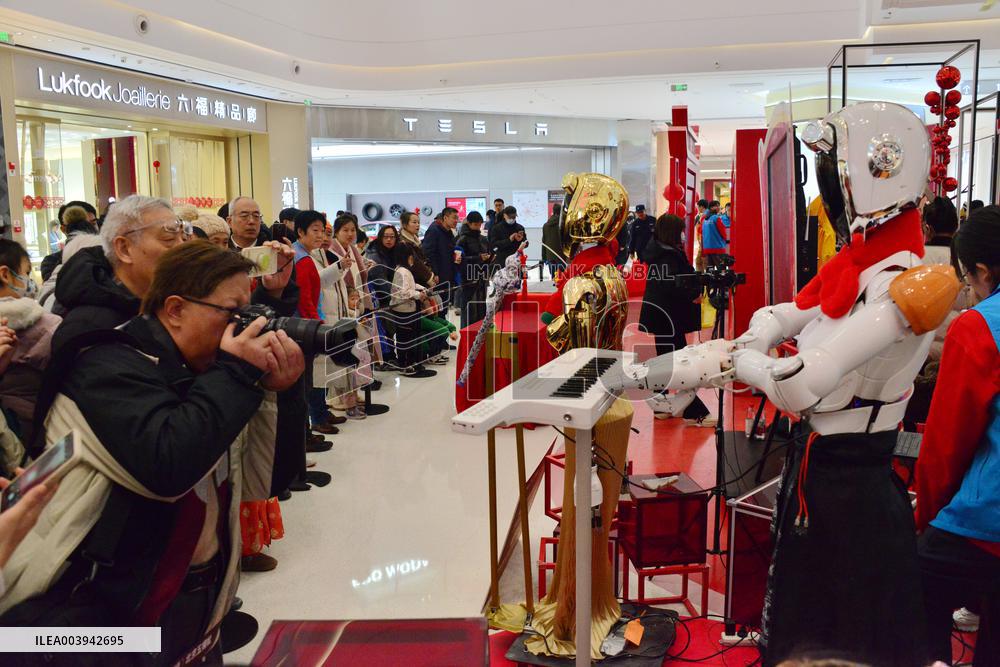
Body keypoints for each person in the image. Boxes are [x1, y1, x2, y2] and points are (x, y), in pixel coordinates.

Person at [0, 241, 304, 666]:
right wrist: (237, 372)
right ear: (175, 309)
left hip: (191, 594)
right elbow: (169, 465)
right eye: (232, 314)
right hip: (92, 612)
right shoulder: (107, 363)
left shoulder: (201, 373)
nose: (244, 328)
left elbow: (260, 484)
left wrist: (273, 392)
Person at [915, 205, 1000, 667]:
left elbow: (946, 445)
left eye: (970, 279)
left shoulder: (980, 325)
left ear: (983, 271)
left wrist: (928, 518)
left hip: (989, 521)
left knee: (917, 574)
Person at [904, 195, 971, 429]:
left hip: (918, 353)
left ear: (927, 228)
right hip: (953, 351)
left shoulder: (914, 259)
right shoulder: (964, 260)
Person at [639, 214, 711, 424]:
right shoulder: (668, 256)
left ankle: (661, 404)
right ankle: (692, 410)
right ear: (672, 232)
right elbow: (673, 285)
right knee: (677, 359)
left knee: (666, 359)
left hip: (662, 315)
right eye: (680, 230)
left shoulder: (660, 252)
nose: (682, 234)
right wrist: (693, 293)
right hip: (668, 315)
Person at [0, 240, 60, 444]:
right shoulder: (46, 325)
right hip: (30, 432)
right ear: (5, 275)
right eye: (26, 272)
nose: (30, 280)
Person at [292, 210, 339, 437]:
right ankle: (309, 430)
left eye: (323, 231)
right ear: (300, 232)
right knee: (308, 381)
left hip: (307, 324)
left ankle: (315, 421)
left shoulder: (303, 254)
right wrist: (317, 328)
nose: (320, 236)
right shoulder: (301, 259)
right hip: (306, 328)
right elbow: (305, 299)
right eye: (315, 231)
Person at [390, 244, 434, 377]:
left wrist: (421, 289)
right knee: (405, 339)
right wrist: (417, 295)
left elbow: (411, 285)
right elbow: (402, 292)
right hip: (403, 310)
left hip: (409, 309)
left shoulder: (404, 271)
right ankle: (404, 365)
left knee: (410, 338)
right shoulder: (402, 271)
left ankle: (411, 363)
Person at [365, 226, 399, 366]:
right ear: (380, 237)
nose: (389, 239)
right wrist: (399, 293)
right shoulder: (375, 255)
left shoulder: (393, 252)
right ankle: (387, 358)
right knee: (387, 327)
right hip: (380, 298)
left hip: (391, 296)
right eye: (386, 236)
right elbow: (380, 282)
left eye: (392, 237)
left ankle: (390, 356)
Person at [41, 203, 98, 282]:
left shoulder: (105, 255)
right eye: (78, 225)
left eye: (93, 224)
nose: (87, 229)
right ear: (64, 229)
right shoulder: (51, 262)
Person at [456, 211, 492, 328]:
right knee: (469, 309)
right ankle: (467, 335)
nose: (478, 227)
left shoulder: (483, 239)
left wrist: (489, 258)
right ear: (469, 224)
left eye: (479, 224)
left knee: (481, 307)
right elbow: (459, 259)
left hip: (481, 277)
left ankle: (481, 333)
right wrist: (478, 258)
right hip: (468, 279)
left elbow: (488, 253)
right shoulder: (462, 239)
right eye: (475, 225)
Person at [421, 206, 459, 307]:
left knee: (445, 305)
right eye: (454, 218)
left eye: (457, 218)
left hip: (448, 273)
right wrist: (435, 272)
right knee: (440, 307)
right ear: (445, 218)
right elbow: (428, 252)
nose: (456, 221)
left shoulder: (448, 232)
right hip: (439, 276)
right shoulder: (434, 230)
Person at [701, 200, 731, 266]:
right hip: (718, 248)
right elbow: (723, 232)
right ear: (711, 208)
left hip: (707, 249)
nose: (718, 207)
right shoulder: (716, 218)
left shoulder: (704, 219)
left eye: (718, 206)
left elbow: (702, 235)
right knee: (721, 271)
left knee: (710, 271)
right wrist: (727, 240)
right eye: (716, 206)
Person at [541, 203, 564, 279]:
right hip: (562, 256)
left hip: (550, 255)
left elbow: (544, 241)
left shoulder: (546, 225)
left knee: (554, 278)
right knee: (563, 278)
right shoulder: (562, 224)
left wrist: (544, 257)